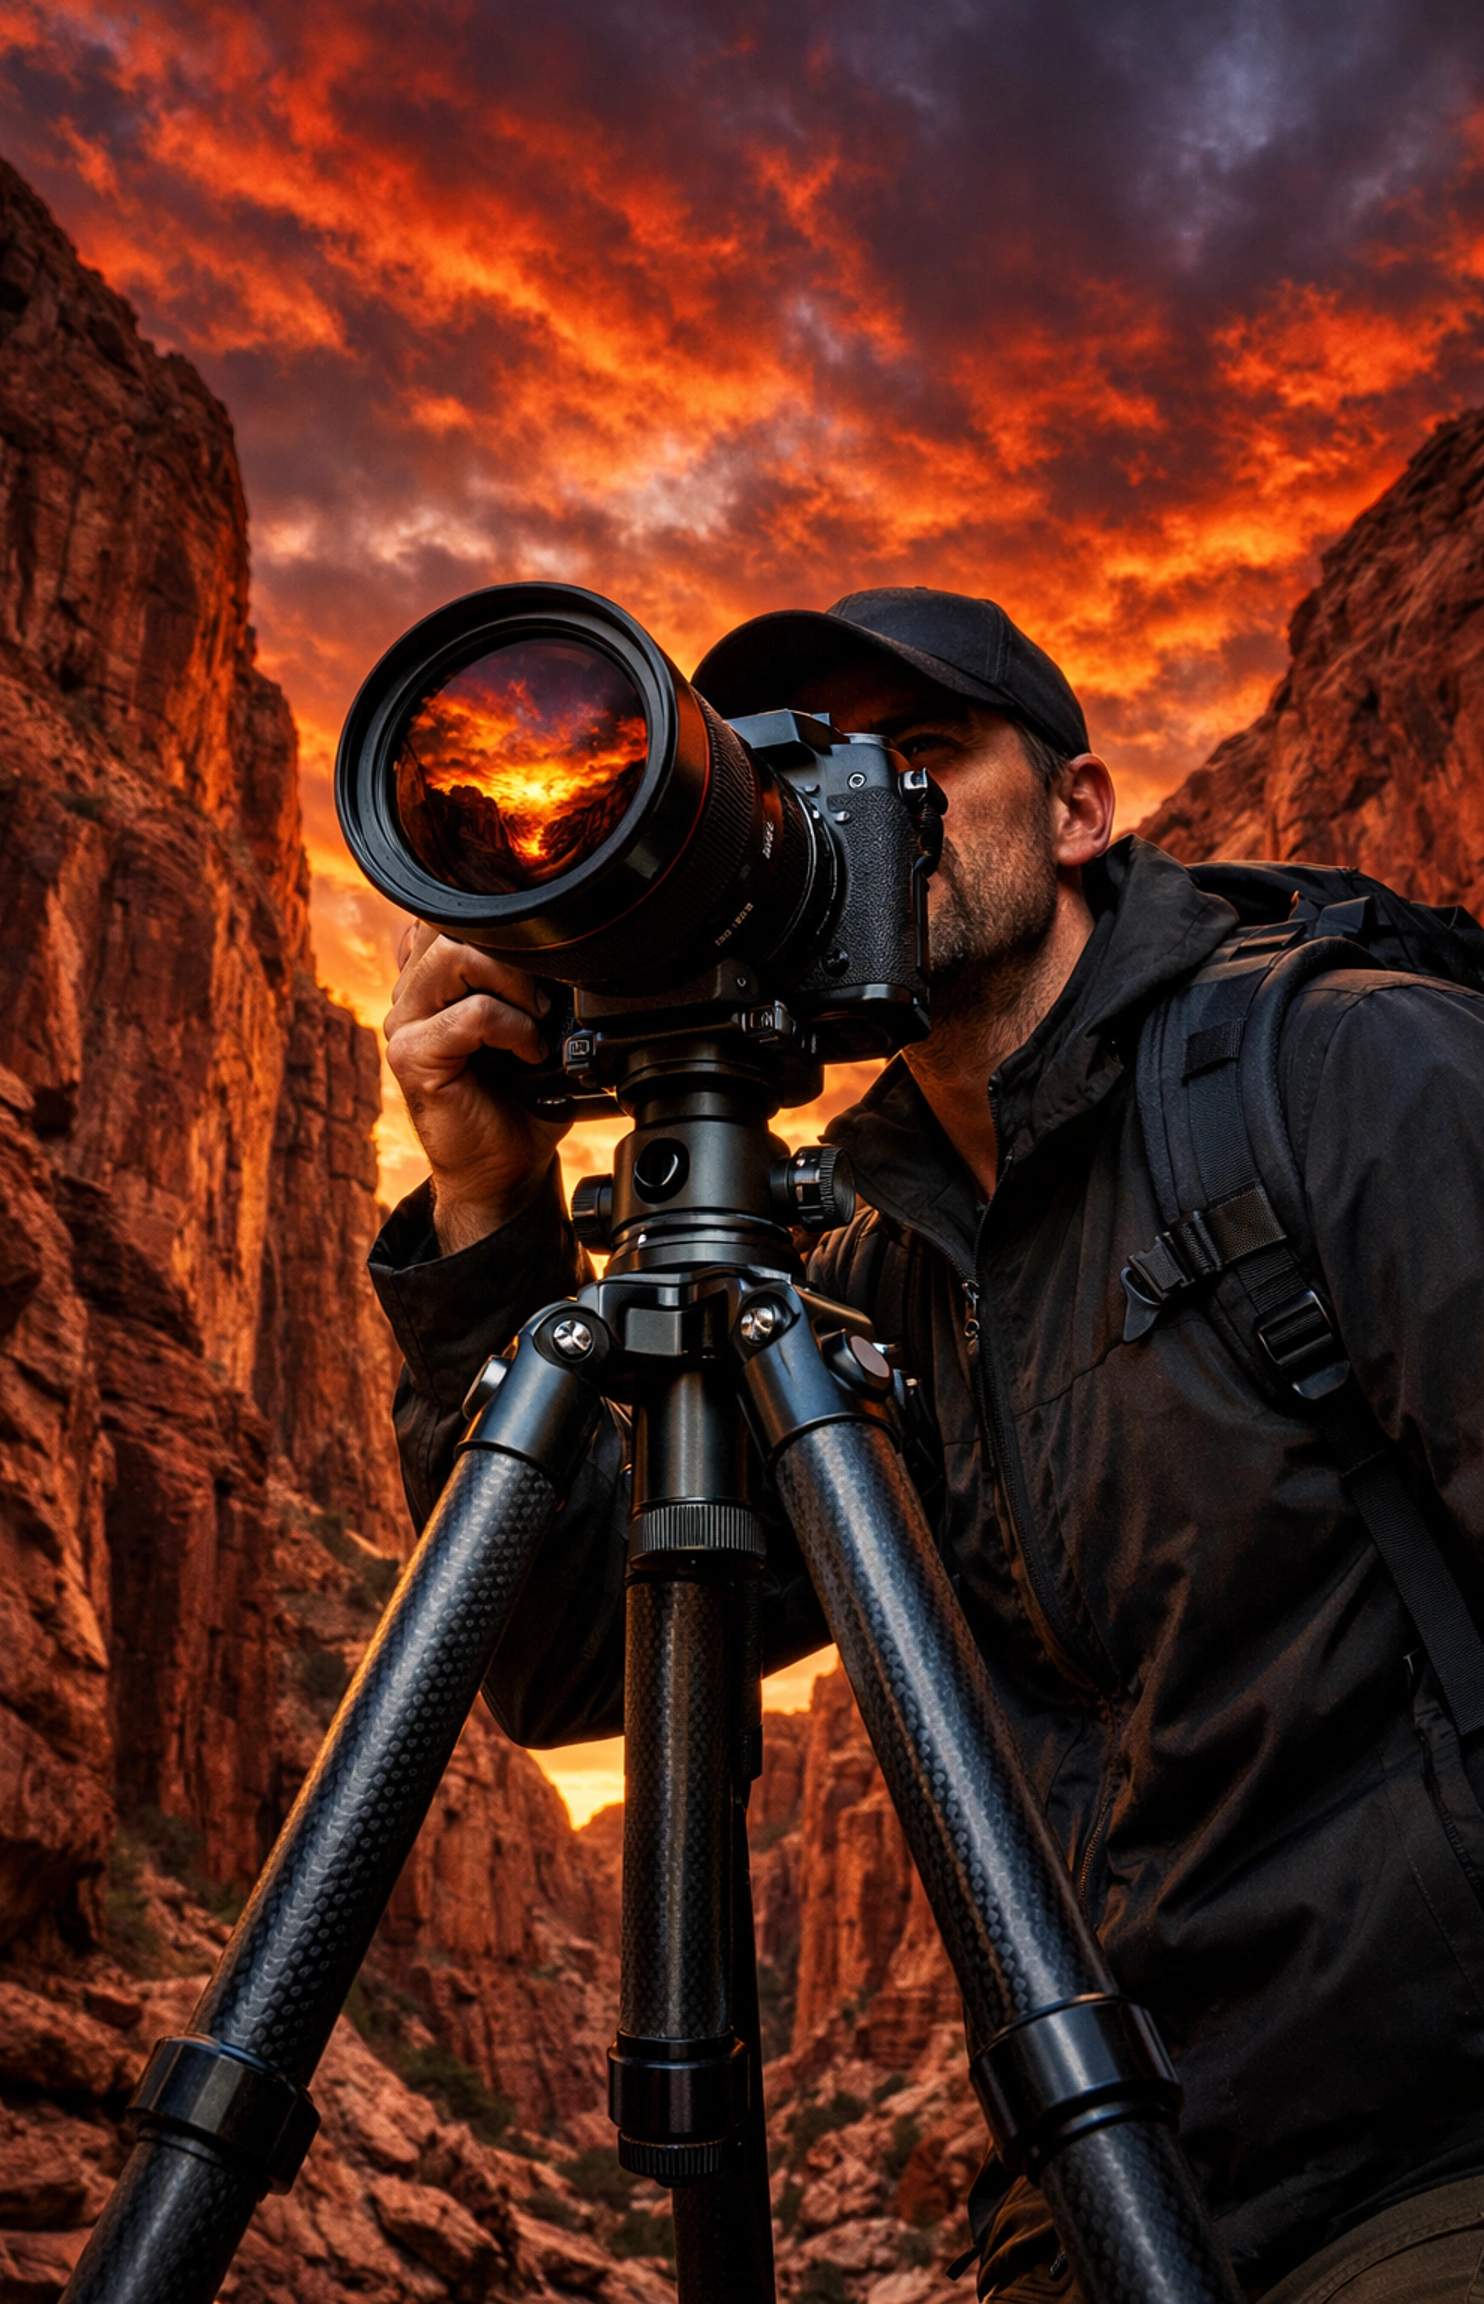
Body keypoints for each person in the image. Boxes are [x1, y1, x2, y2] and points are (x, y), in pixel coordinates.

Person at [368, 587, 1484, 2303]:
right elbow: (569, 1655)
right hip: (1104, 2178)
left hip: (1427, 2150)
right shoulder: (871, 1267)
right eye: (798, 770)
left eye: (926, 752)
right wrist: (491, 1210)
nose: (863, 799)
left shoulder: (1342, 1067)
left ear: (1084, 810)